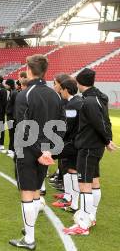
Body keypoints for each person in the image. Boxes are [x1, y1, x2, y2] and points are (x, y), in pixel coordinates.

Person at [9, 54, 64, 250]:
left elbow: (23, 128)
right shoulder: (54, 95)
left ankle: (29, 238)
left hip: (29, 151)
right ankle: (29, 229)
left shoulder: (25, 94)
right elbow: (61, 126)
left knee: (27, 192)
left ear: (29, 70)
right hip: (45, 151)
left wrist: (40, 151)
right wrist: (49, 151)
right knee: (34, 192)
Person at [64, 68, 116, 236]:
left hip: (88, 147)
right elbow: (105, 121)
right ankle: (91, 216)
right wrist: (107, 140)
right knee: (94, 182)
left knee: (85, 185)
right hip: (95, 146)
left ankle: (83, 224)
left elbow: (99, 123)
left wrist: (107, 140)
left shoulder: (90, 101)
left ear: (80, 83)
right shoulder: (98, 97)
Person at [51, 78, 82, 211]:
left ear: (67, 90)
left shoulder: (72, 105)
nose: (61, 92)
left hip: (72, 143)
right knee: (68, 168)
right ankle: (68, 196)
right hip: (75, 142)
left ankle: (72, 201)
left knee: (70, 169)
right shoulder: (77, 101)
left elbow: (67, 127)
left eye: (62, 89)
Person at [5, 78, 17, 158]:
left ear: (10, 85)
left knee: (13, 134)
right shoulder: (11, 92)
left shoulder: (14, 93)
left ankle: (13, 150)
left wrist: (13, 117)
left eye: (6, 84)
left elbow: (15, 106)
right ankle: (10, 149)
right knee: (10, 133)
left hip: (12, 117)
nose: (5, 86)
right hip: (9, 116)